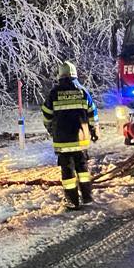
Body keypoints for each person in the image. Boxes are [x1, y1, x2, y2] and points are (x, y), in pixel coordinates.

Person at [42, 60, 99, 209]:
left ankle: (72, 201)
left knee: (67, 170)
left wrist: (50, 128)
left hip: (63, 140)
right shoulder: (82, 91)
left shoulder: (54, 93)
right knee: (83, 169)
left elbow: (46, 114)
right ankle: (87, 197)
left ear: (60, 76)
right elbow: (93, 113)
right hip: (81, 139)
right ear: (75, 75)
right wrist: (93, 130)